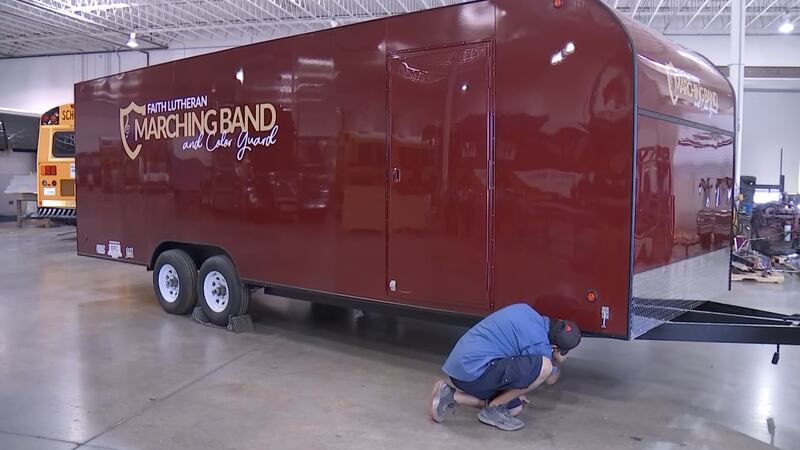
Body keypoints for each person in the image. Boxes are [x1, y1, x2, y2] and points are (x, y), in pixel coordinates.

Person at [429, 303, 581, 431]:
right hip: (474, 371)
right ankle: (493, 409)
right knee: (545, 366)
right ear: (555, 346)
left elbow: (511, 350)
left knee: (515, 408)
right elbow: (550, 378)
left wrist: (515, 389)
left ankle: (450, 395)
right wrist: (557, 360)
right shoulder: (539, 344)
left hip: (461, 366)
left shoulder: (528, 311)